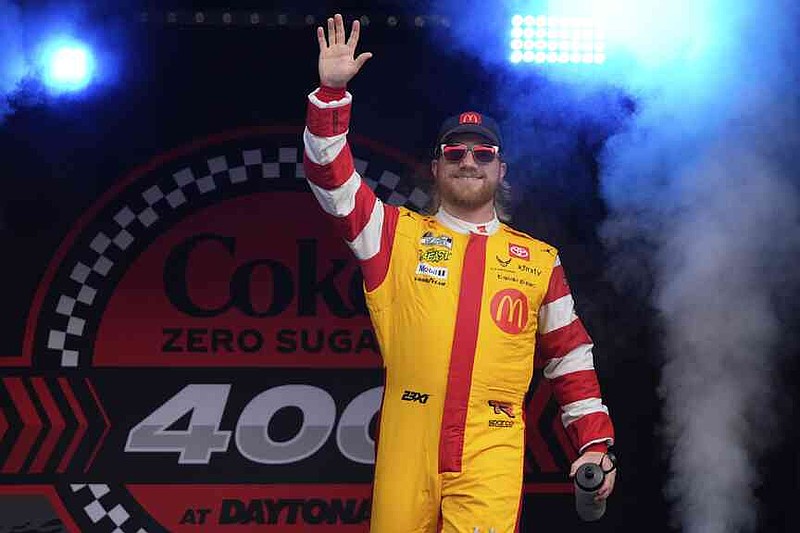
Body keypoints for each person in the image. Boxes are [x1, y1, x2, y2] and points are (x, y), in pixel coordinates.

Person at [302, 14, 616, 533]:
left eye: (482, 153)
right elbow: (328, 177)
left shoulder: (540, 261)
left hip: (491, 443)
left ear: (500, 169)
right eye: (455, 151)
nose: (468, 160)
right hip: (409, 439)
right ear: (437, 165)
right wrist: (330, 94)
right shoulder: (391, 235)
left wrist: (593, 443)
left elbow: (570, 359)